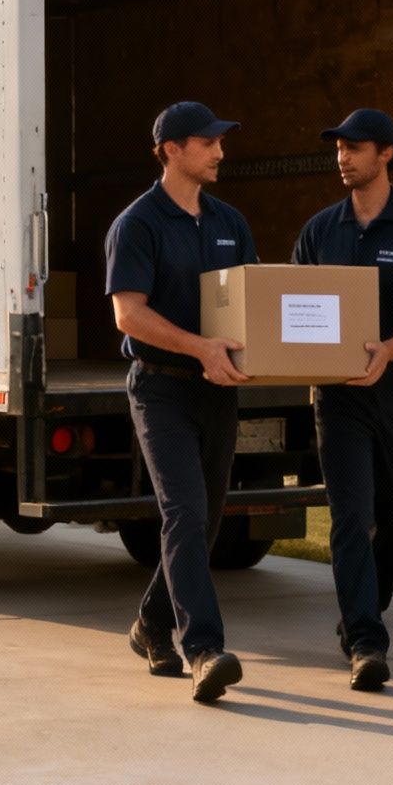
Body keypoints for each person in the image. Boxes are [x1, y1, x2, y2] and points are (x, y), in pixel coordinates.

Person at [104, 100, 258, 703]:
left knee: (206, 520)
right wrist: (200, 349)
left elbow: (250, 300)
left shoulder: (230, 221)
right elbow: (130, 314)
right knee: (186, 513)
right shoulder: (137, 224)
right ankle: (204, 649)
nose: (220, 151)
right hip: (162, 386)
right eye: (208, 141)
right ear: (172, 149)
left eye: (222, 140)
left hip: (218, 389)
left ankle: (149, 624)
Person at [292, 107, 393, 692]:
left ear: (386, 153)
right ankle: (366, 641)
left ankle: (364, 613)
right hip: (338, 397)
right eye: (338, 147)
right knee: (350, 516)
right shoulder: (319, 231)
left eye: (354, 148)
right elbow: (297, 311)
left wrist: (386, 350)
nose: (342, 156)